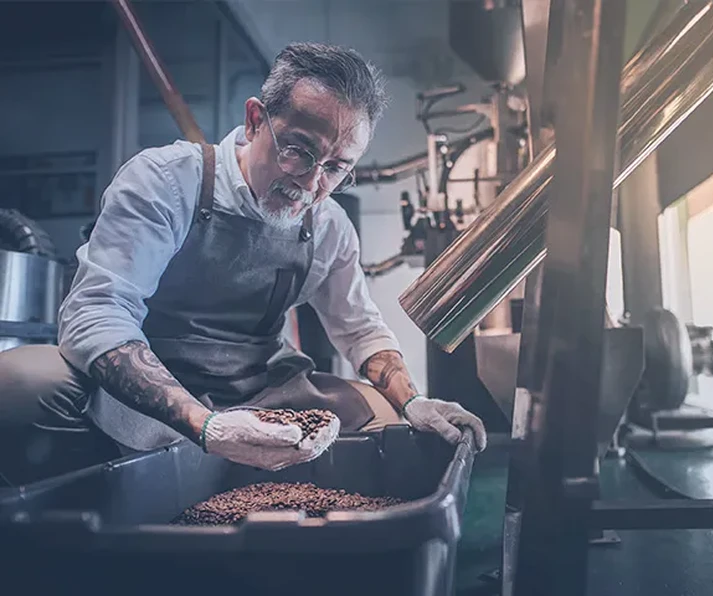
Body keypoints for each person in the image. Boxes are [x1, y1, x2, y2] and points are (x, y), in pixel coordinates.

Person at [0, 42, 486, 483]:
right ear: (256, 120)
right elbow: (96, 315)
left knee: (387, 419)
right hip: (150, 391)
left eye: (336, 168)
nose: (310, 183)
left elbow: (359, 328)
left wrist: (414, 400)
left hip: (261, 390)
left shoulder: (328, 223)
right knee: (18, 385)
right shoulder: (167, 181)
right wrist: (204, 425)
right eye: (299, 150)